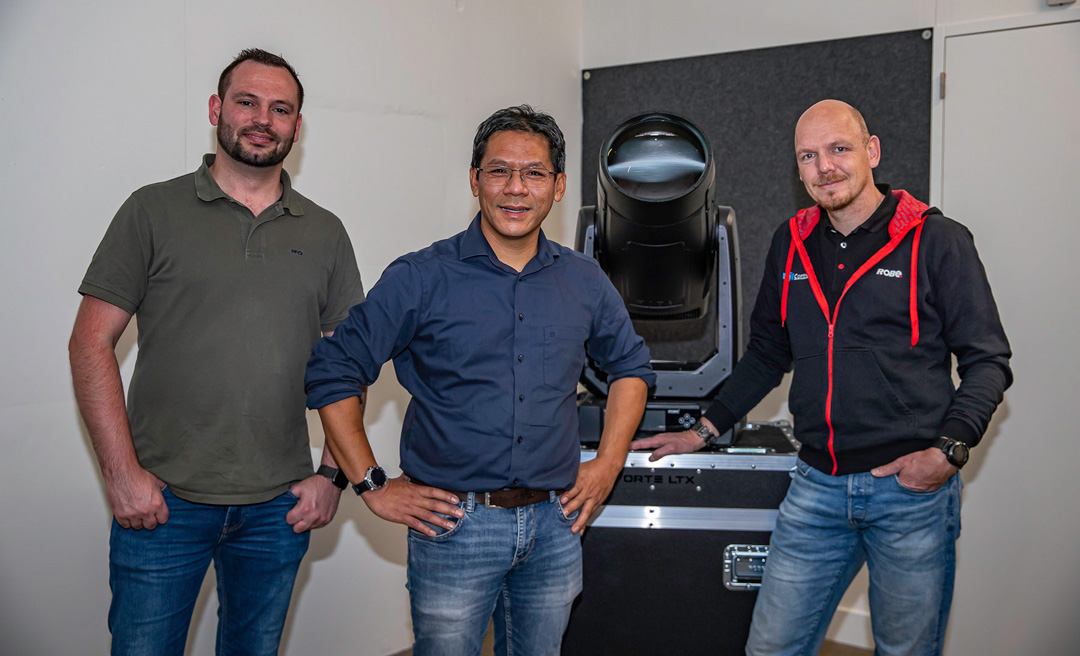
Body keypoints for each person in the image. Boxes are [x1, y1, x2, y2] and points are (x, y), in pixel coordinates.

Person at [632, 99, 1011, 655]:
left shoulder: (937, 240)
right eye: (808, 156)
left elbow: (988, 360)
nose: (824, 167)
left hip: (910, 494)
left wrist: (947, 453)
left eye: (839, 149)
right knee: (771, 648)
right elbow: (768, 352)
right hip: (816, 489)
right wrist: (702, 430)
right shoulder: (791, 242)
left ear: (872, 151)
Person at [305, 104, 654, 656]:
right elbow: (335, 368)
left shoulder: (584, 280)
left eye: (534, 173)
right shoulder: (420, 277)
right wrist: (372, 484)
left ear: (558, 186)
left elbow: (631, 367)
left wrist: (609, 463)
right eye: (499, 171)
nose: (516, 188)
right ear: (475, 180)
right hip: (453, 528)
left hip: (556, 523)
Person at [68, 48, 365, 655]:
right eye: (246, 102)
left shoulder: (325, 231)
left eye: (280, 109)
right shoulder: (152, 210)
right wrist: (121, 475)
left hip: (279, 509)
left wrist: (332, 475)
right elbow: (90, 342)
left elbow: (349, 364)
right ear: (216, 109)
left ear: (297, 126)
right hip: (162, 504)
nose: (262, 119)